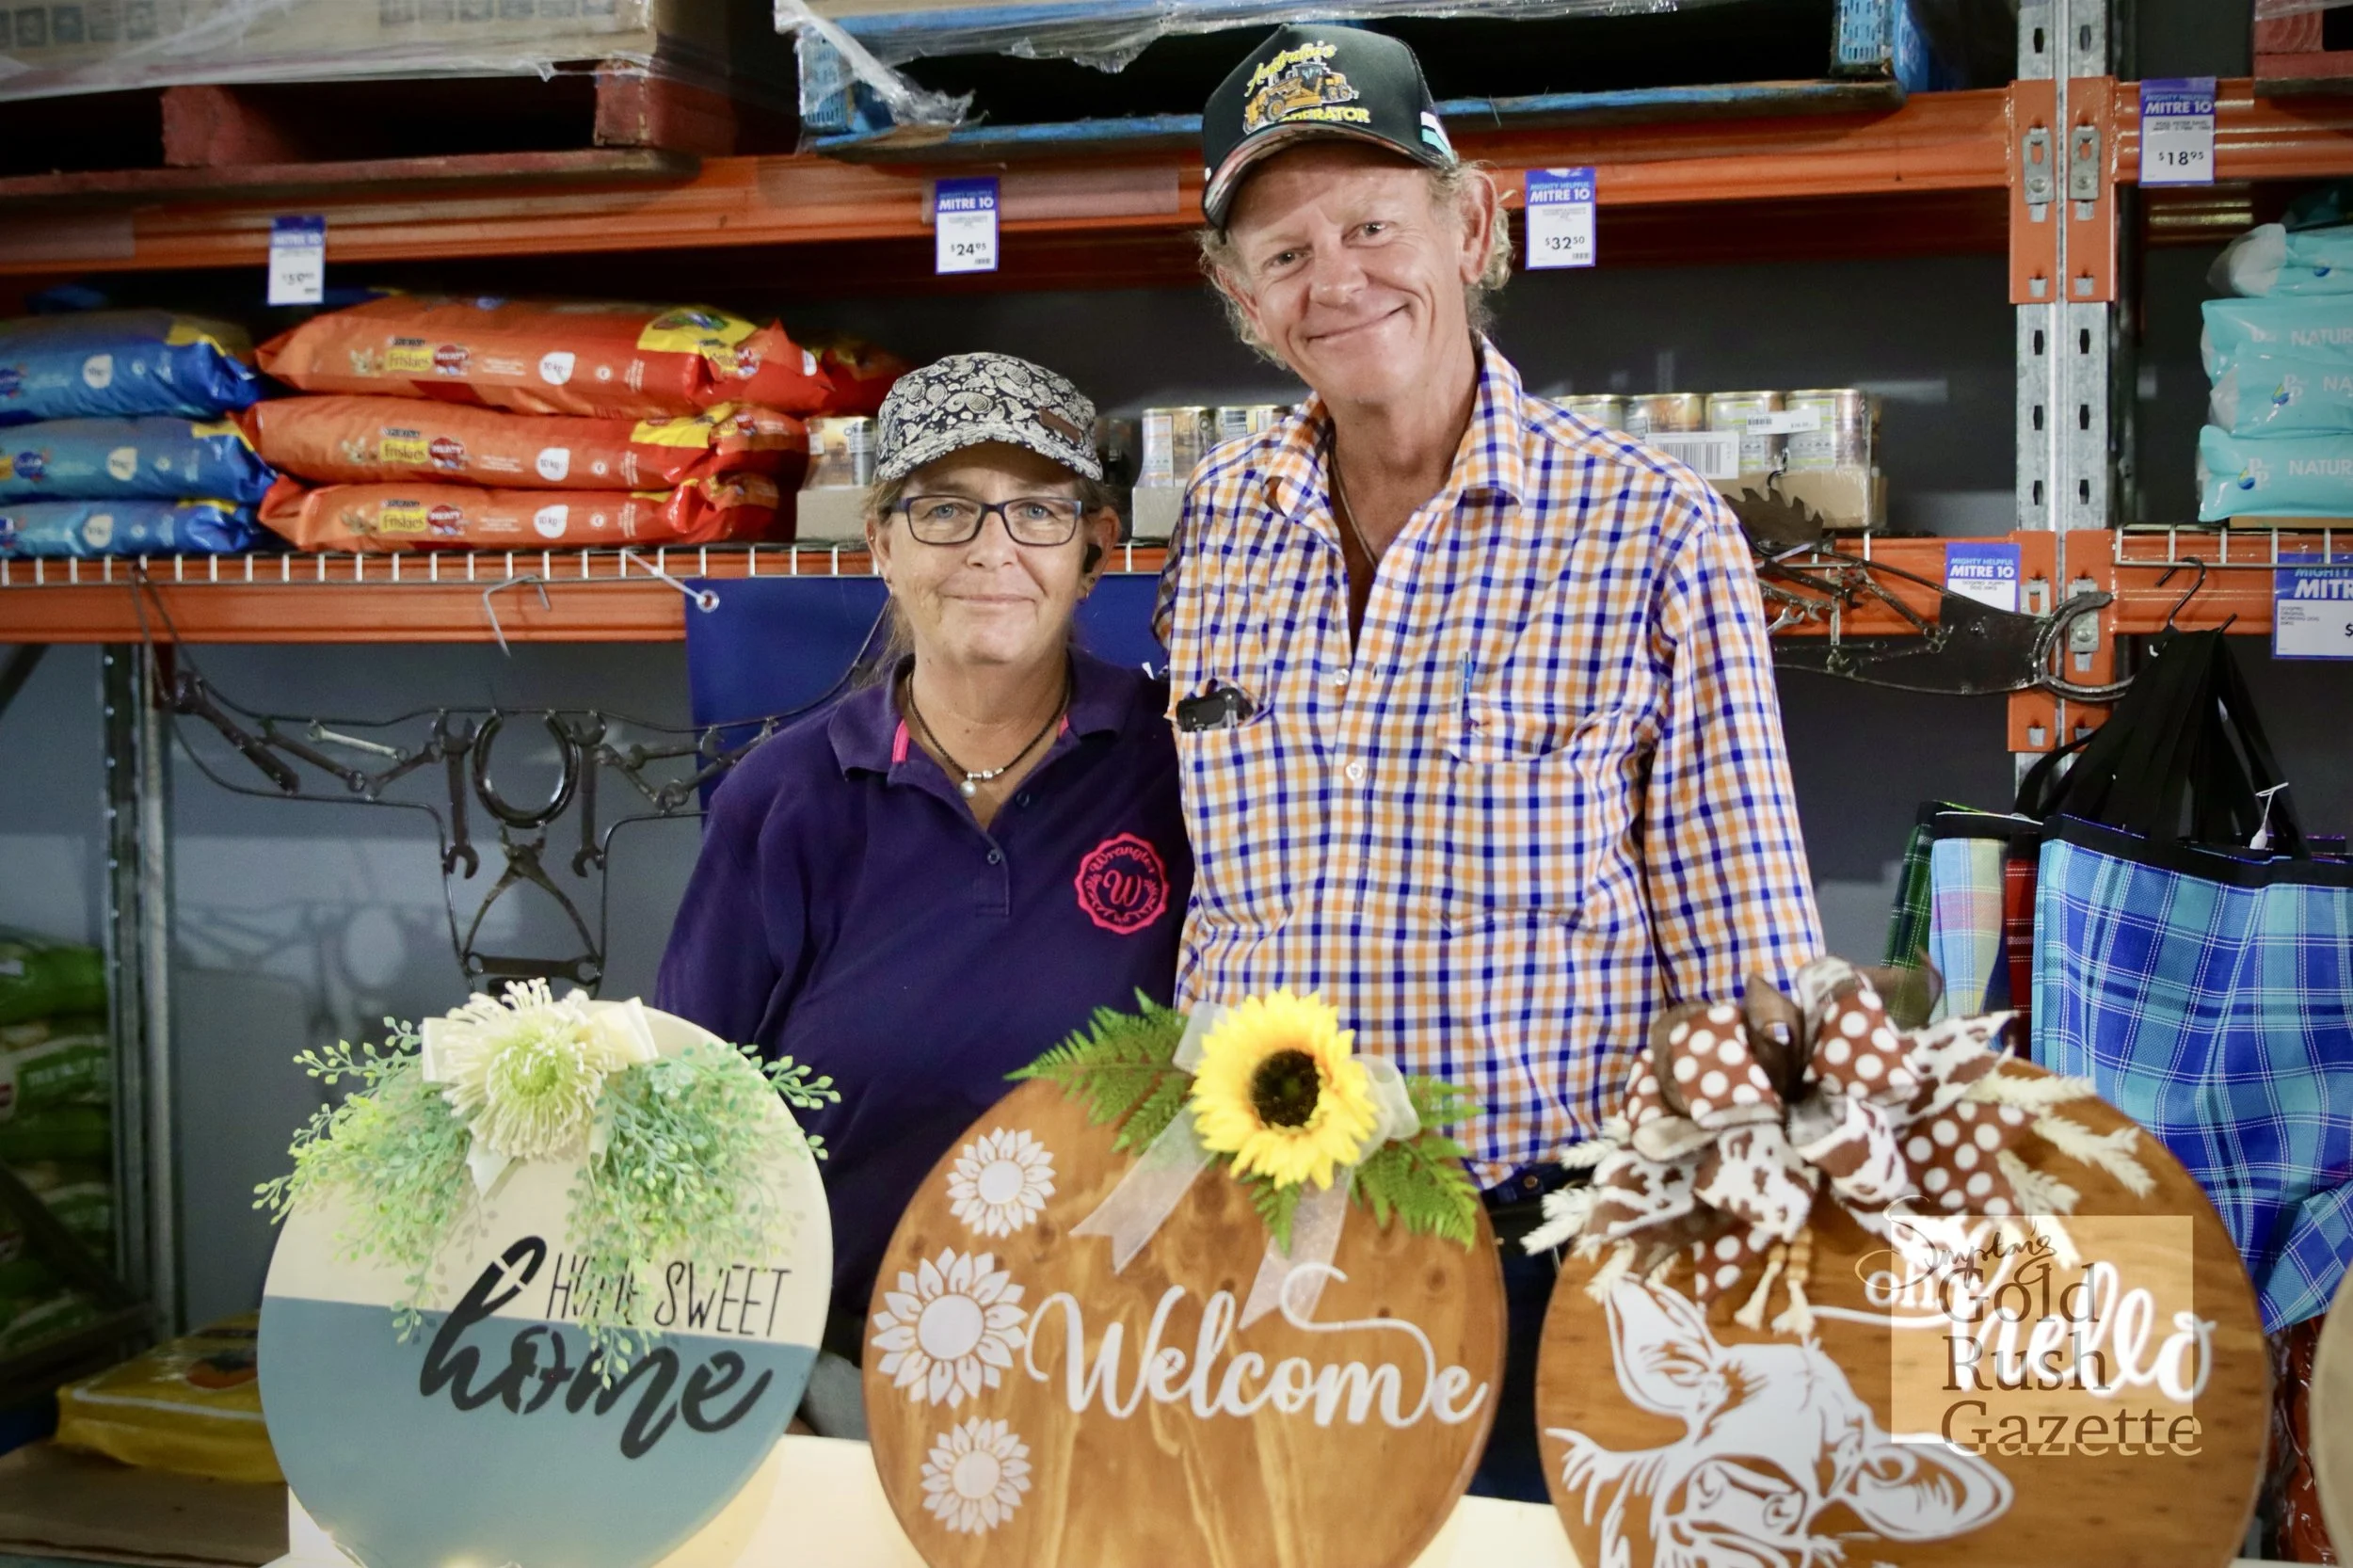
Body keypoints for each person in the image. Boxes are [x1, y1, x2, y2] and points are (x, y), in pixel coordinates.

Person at [1160, 26, 1824, 1498]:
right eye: (1281, 254)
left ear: (1471, 226)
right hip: (1261, 1244)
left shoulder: (1649, 528)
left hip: (1550, 1254)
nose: (1335, 280)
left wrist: (1763, 1279)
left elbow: (1751, 942)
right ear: (1240, 299)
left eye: (1372, 224)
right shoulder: (1217, 526)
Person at [659, 352, 1191, 1435]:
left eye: (1037, 512)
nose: (993, 550)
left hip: (1130, 1377)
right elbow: (687, 1106)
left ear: (1093, 551)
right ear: (881, 546)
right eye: (945, 509)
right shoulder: (786, 795)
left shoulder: (1186, 771)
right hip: (847, 1381)